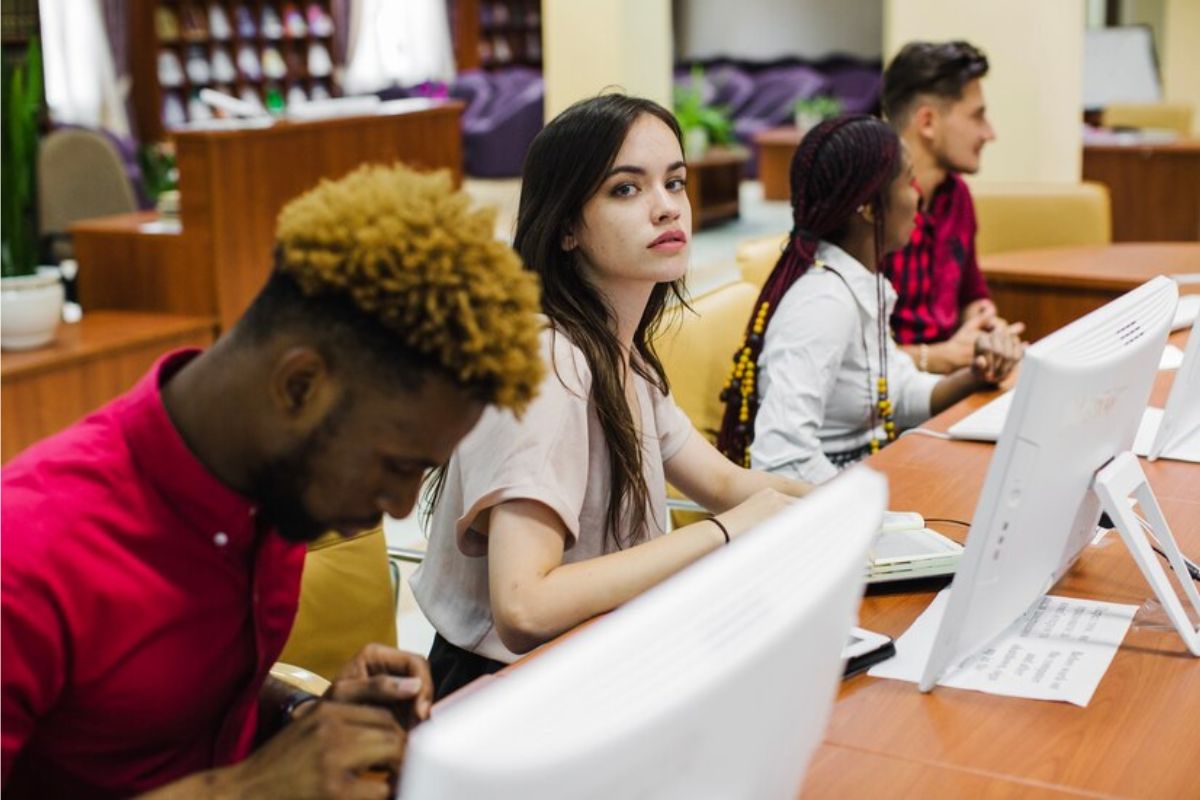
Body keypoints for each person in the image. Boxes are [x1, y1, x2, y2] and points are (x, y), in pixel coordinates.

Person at [1, 164, 545, 799]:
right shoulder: (26, 555)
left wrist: (308, 715)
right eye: (398, 467)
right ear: (300, 386)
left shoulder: (269, 487)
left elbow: (146, 697)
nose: (394, 507)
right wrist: (245, 790)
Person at [411, 94, 812, 700]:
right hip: (505, 696)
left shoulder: (621, 352)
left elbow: (727, 485)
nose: (665, 208)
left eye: (675, 183)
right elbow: (523, 607)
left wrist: (855, 510)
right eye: (626, 190)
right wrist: (724, 534)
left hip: (600, 661)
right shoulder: (549, 363)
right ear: (567, 226)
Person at [716, 115, 1019, 484]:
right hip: (822, 513)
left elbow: (900, 393)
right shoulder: (824, 304)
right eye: (909, 180)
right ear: (870, 209)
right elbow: (782, 462)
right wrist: (872, 506)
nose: (919, 194)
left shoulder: (857, 281)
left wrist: (976, 374)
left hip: (859, 488)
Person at [880, 40, 1026, 374]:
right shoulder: (869, 209)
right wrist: (939, 357)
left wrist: (986, 324)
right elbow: (850, 360)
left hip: (950, 383)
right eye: (978, 116)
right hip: (889, 404)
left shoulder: (957, 195)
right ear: (928, 122)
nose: (990, 133)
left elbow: (971, 295)